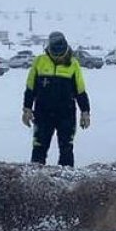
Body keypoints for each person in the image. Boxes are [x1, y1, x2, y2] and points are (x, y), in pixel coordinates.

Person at [22, 31, 91, 167]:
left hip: (66, 114)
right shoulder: (39, 61)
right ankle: (36, 183)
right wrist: (27, 109)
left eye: (62, 53)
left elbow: (80, 91)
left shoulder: (73, 64)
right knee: (39, 150)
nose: (59, 56)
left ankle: (67, 184)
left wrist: (85, 112)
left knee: (66, 150)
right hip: (42, 114)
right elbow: (30, 88)